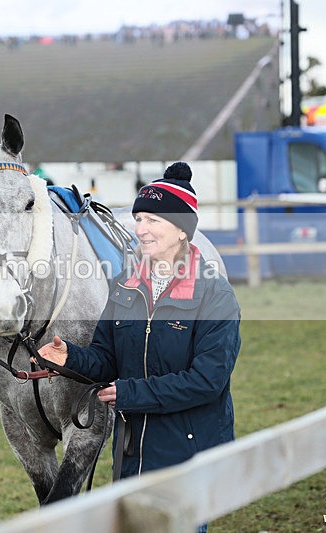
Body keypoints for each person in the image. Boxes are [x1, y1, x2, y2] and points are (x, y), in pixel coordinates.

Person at [38, 163, 241, 517]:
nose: (141, 230)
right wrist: (68, 358)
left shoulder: (214, 295)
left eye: (153, 220)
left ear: (182, 230)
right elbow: (107, 360)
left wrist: (132, 394)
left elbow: (208, 381)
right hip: (132, 452)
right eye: (139, 219)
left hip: (188, 452)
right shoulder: (125, 287)